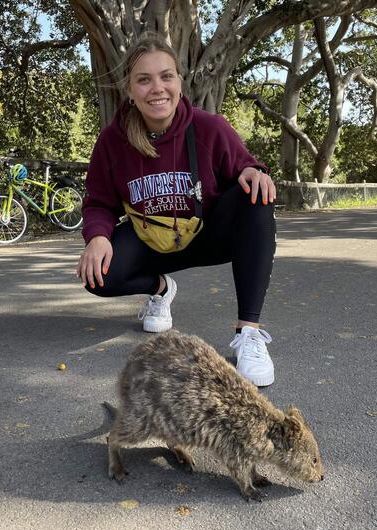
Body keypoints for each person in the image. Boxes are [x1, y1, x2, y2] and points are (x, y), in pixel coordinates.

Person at [76, 33, 277, 387]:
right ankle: (160, 289)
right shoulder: (112, 141)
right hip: (151, 242)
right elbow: (98, 203)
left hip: (205, 236)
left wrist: (252, 171)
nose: (157, 88)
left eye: (166, 76)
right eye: (144, 79)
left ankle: (250, 332)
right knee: (98, 275)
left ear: (179, 83)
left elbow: (246, 166)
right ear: (130, 90)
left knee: (255, 195)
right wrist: (97, 237)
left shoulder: (209, 128)